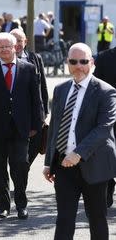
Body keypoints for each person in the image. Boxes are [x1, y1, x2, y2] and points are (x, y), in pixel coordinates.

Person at [43, 43, 116, 240]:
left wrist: (78, 153)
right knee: (64, 220)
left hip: (95, 165)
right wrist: (49, 161)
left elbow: (103, 129)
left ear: (92, 63)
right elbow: (55, 127)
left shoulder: (105, 91)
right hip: (64, 166)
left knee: (97, 219)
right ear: (67, 63)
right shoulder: (60, 89)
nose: (78, 66)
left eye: (83, 61)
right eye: (74, 62)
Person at [0, 32, 43, 219]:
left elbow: (36, 100)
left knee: (20, 165)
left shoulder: (29, 69)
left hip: (21, 127)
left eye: (8, 46)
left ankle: (21, 204)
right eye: (1, 47)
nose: (4, 50)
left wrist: (37, 124)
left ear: (15, 47)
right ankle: (3, 206)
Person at [11, 28, 49, 166]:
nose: (16, 44)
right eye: (13, 41)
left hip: (34, 113)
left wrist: (44, 112)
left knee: (34, 147)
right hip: (13, 114)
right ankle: (19, 175)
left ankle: (22, 171)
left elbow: (43, 86)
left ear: (25, 42)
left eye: (19, 41)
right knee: (17, 152)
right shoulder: (1, 61)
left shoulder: (35, 58)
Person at [93, 46, 116, 207]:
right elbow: (95, 87)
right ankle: (108, 186)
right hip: (109, 117)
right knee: (108, 153)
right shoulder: (104, 57)